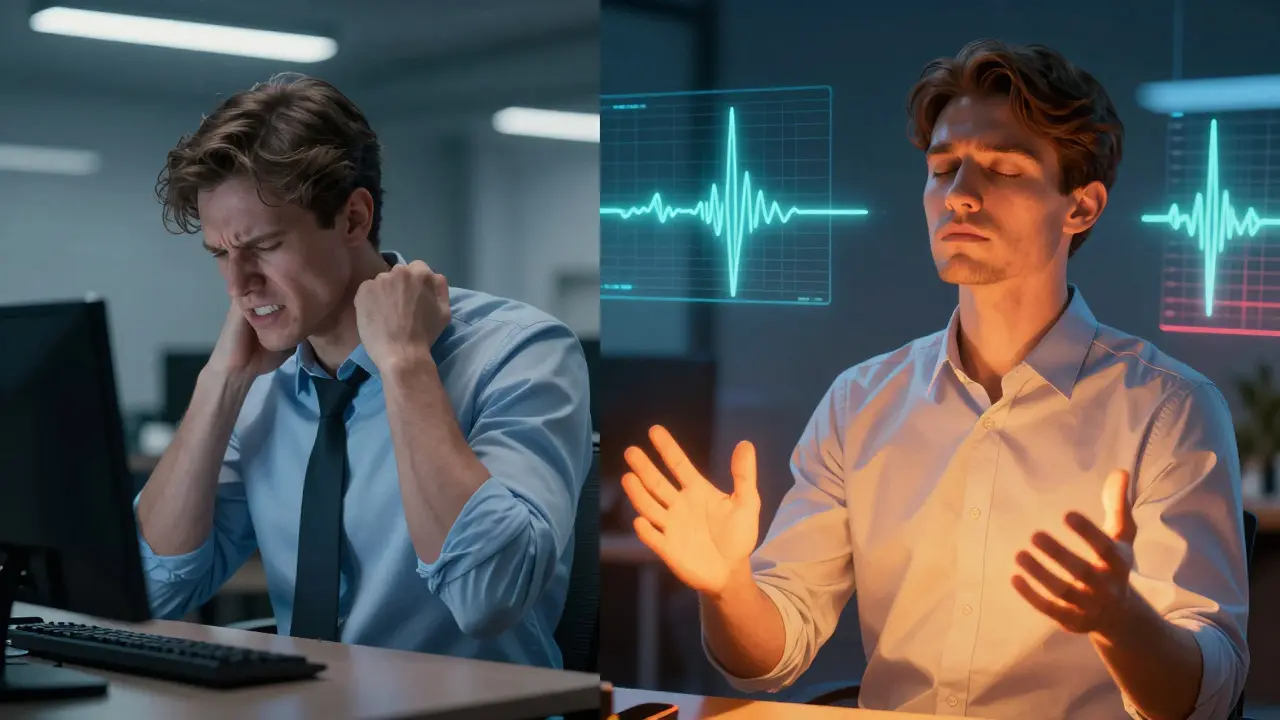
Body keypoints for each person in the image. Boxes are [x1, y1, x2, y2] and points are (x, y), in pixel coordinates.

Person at [621, 39, 1248, 719]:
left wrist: (1120, 620)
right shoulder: (860, 403)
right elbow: (770, 660)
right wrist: (729, 587)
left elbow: (1206, 695)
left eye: (1002, 169)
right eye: (944, 168)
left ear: (1081, 207)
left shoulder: (1170, 410)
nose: (961, 196)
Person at [134, 73, 592, 670]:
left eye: (264, 246)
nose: (237, 284)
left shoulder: (521, 352)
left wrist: (404, 364)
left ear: (353, 219)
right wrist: (221, 382)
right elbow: (152, 590)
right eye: (221, 254)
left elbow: (488, 598)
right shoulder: (261, 385)